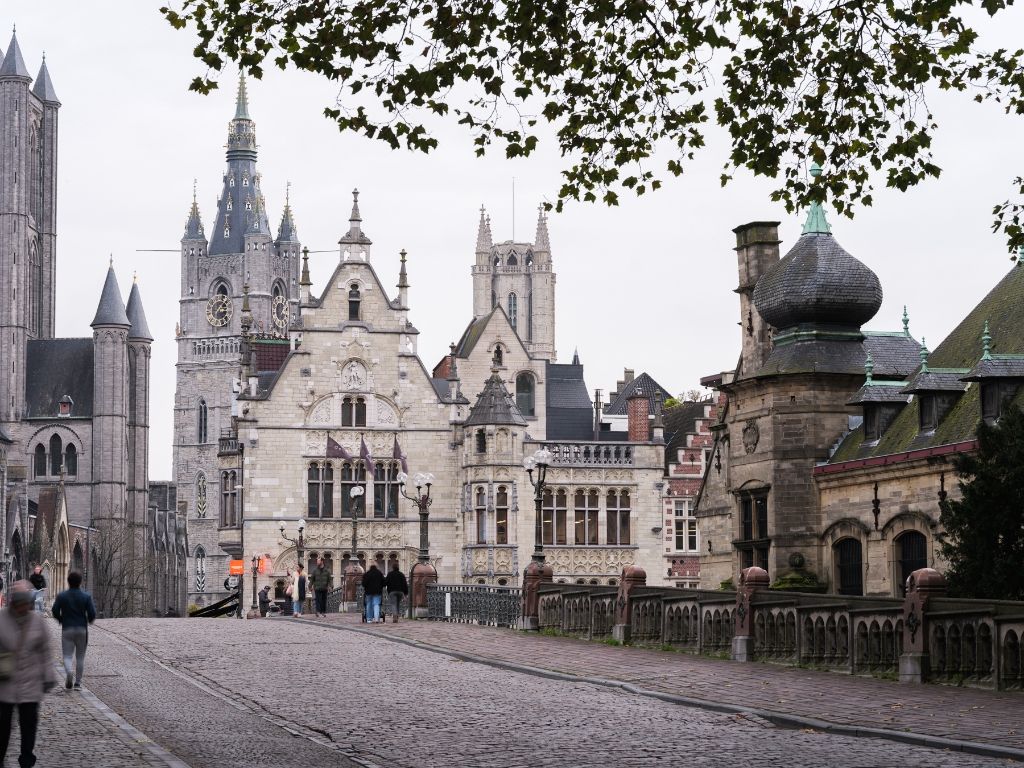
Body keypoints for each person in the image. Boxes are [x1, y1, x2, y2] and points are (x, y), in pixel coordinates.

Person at [0, 580, 57, 768]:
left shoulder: (37, 621)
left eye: (26, 603)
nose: (24, 607)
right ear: (14, 602)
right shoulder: (1, 619)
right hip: (5, 685)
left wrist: (48, 676)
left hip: (30, 685)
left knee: (29, 727)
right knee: (2, 728)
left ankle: (26, 760)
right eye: (20, 603)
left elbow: (44, 652)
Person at [50, 570, 97, 691]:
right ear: (80, 582)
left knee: (67, 655)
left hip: (67, 629)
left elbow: (55, 610)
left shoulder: (62, 596)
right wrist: (89, 620)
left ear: (68, 582)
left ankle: (69, 671)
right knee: (80, 657)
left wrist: (61, 619)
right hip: (81, 629)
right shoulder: (86, 596)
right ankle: (78, 683)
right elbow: (92, 613)